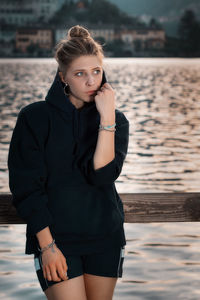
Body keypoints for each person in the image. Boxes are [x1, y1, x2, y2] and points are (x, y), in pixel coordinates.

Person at [7, 25, 129, 300]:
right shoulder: (34, 118)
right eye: (80, 74)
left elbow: (102, 176)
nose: (91, 82)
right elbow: (26, 187)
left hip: (104, 237)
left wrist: (107, 119)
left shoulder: (116, 120)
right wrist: (47, 246)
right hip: (55, 241)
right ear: (63, 77)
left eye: (96, 72)